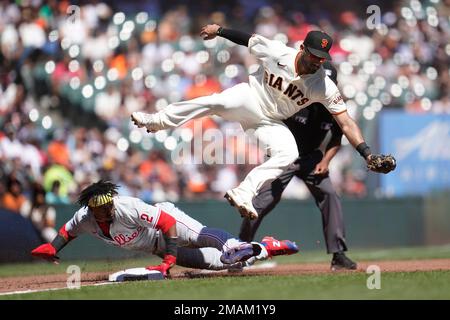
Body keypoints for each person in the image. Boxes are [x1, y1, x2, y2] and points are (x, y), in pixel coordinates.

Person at [131, 24, 385, 221]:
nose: (318, 61)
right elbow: (248, 40)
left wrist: (367, 154)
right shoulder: (278, 52)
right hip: (251, 97)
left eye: (322, 57)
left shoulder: (323, 85)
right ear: (302, 48)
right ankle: (158, 121)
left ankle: (244, 192)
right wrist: (219, 31)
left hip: (271, 121)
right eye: (314, 54)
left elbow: (346, 122)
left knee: (288, 154)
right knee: (215, 102)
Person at [30, 180, 298, 277]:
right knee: (222, 265)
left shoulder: (127, 206)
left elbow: (166, 223)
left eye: (109, 203)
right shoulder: (84, 218)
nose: (108, 208)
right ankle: (265, 248)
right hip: (158, 246)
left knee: (197, 235)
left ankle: (233, 246)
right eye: (102, 207)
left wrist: (170, 258)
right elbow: (67, 231)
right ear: (92, 210)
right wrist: (52, 248)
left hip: (165, 221)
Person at [239, 62, 357, 271]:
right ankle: (239, 250)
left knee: (329, 194)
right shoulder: (296, 98)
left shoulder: (335, 107)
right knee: (260, 203)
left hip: (312, 158)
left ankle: (338, 256)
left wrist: (325, 161)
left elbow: (336, 139)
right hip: (284, 156)